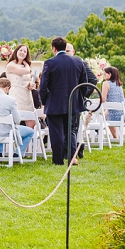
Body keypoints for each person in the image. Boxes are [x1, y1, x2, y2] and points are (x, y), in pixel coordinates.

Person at [39, 37, 90, 166]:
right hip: (73, 103)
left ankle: (58, 160)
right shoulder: (78, 61)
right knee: (70, 131)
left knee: (56, 132)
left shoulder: (50, 63)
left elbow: (43, 85)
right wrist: (80, 98)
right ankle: (72, 157)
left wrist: (44, 101)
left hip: (55, 103)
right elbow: (84, 83)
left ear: (54, 48)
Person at [0, 78, 35, 157]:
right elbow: (17, 120)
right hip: (5, 132)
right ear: (7, 88)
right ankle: (17, 154)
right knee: (30, 131)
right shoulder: (11, 100)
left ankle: (0, 153)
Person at [65, 42, 97, 159]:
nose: (66, 53)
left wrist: (82, 95)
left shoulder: (80, 63)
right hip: (62, 100)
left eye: (68, 51)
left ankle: (77, 150)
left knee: (74, 127)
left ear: (73, 52)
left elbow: (93, 80)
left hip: (75, 100)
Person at [6, 44, 36, 119]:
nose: (22, 52)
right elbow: (25, 71)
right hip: (16, 95)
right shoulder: (11, 65)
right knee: (17, 120)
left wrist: (31, 85)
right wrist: (27, 65)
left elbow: (26, 81)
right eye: (21, 50)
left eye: (25, 51)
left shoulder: (26, 66)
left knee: (31, 121)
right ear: (16, 51)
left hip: (27, 95)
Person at [100, 66, 125, 139]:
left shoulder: (106, 83)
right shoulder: (118, 84)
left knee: (102, 116)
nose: (104, 75)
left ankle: (114, 137)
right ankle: (115, 136)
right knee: (106, 113)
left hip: (114, 114)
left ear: (110, 74)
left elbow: (103, 99)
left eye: (105, 73)